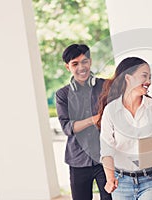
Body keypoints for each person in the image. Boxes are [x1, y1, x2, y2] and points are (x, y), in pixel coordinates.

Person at [97, 57, 152, 200]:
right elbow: (107, 149)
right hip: (121, 181)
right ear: (128, 78)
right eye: (144, 76)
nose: (149, 81)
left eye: (150, 77)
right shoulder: (111, 110)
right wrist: (110, 178)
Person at [55, 44, 111, 200]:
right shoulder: (62, 94)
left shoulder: (106, 86)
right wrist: (94, 119)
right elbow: (67, 127)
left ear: (90, 62)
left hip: (105, 157)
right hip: (77, 160)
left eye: (84, 61)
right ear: (68, 67)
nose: (81, 67)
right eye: (75, 63)